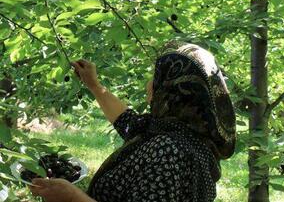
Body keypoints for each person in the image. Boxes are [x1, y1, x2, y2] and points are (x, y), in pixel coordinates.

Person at [29, 40, 236, 202]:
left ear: (173, 90)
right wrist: (94, 85)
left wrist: (71, 197)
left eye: (155, 77)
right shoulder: (179, 134)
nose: (149, 84)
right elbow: (127, 122)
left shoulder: (169, 151)